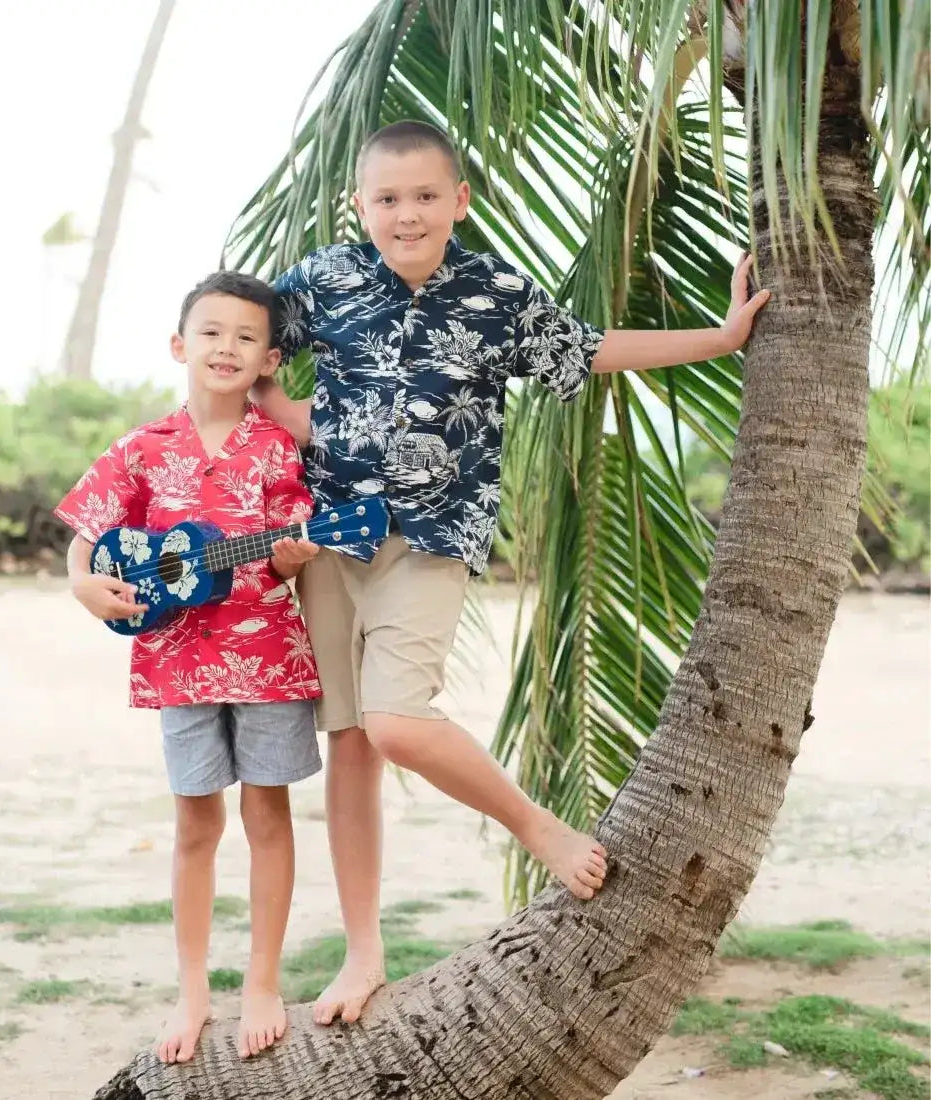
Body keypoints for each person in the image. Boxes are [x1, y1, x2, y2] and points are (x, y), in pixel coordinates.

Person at [255, 119, 771, 1027]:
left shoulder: (494, 293)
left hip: (431, 537)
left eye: (424, 197)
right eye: (387, 199)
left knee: (396, 721)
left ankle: (534, 824)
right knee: (349, 745)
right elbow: (240, 348)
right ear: (359, 206)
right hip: (325, 541)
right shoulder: (320, 281)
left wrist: (722, 340)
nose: (405, 215)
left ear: (460, 200)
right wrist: (287, 415)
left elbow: (589, 348)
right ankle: (362, 950)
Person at [56, 272, 323, 1063]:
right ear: (181, 345)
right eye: (211, 333)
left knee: (267, 817)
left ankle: (264, 981)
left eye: (245, 337)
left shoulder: (277, 448)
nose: (226, 348)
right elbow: (86, 531)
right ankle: (194, 989)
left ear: (268, 359)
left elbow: (285, 565)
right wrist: (83, 585)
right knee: (195, 826)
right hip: (177, 662)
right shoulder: (143, 448)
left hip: (267, 657)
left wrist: (290, 559)